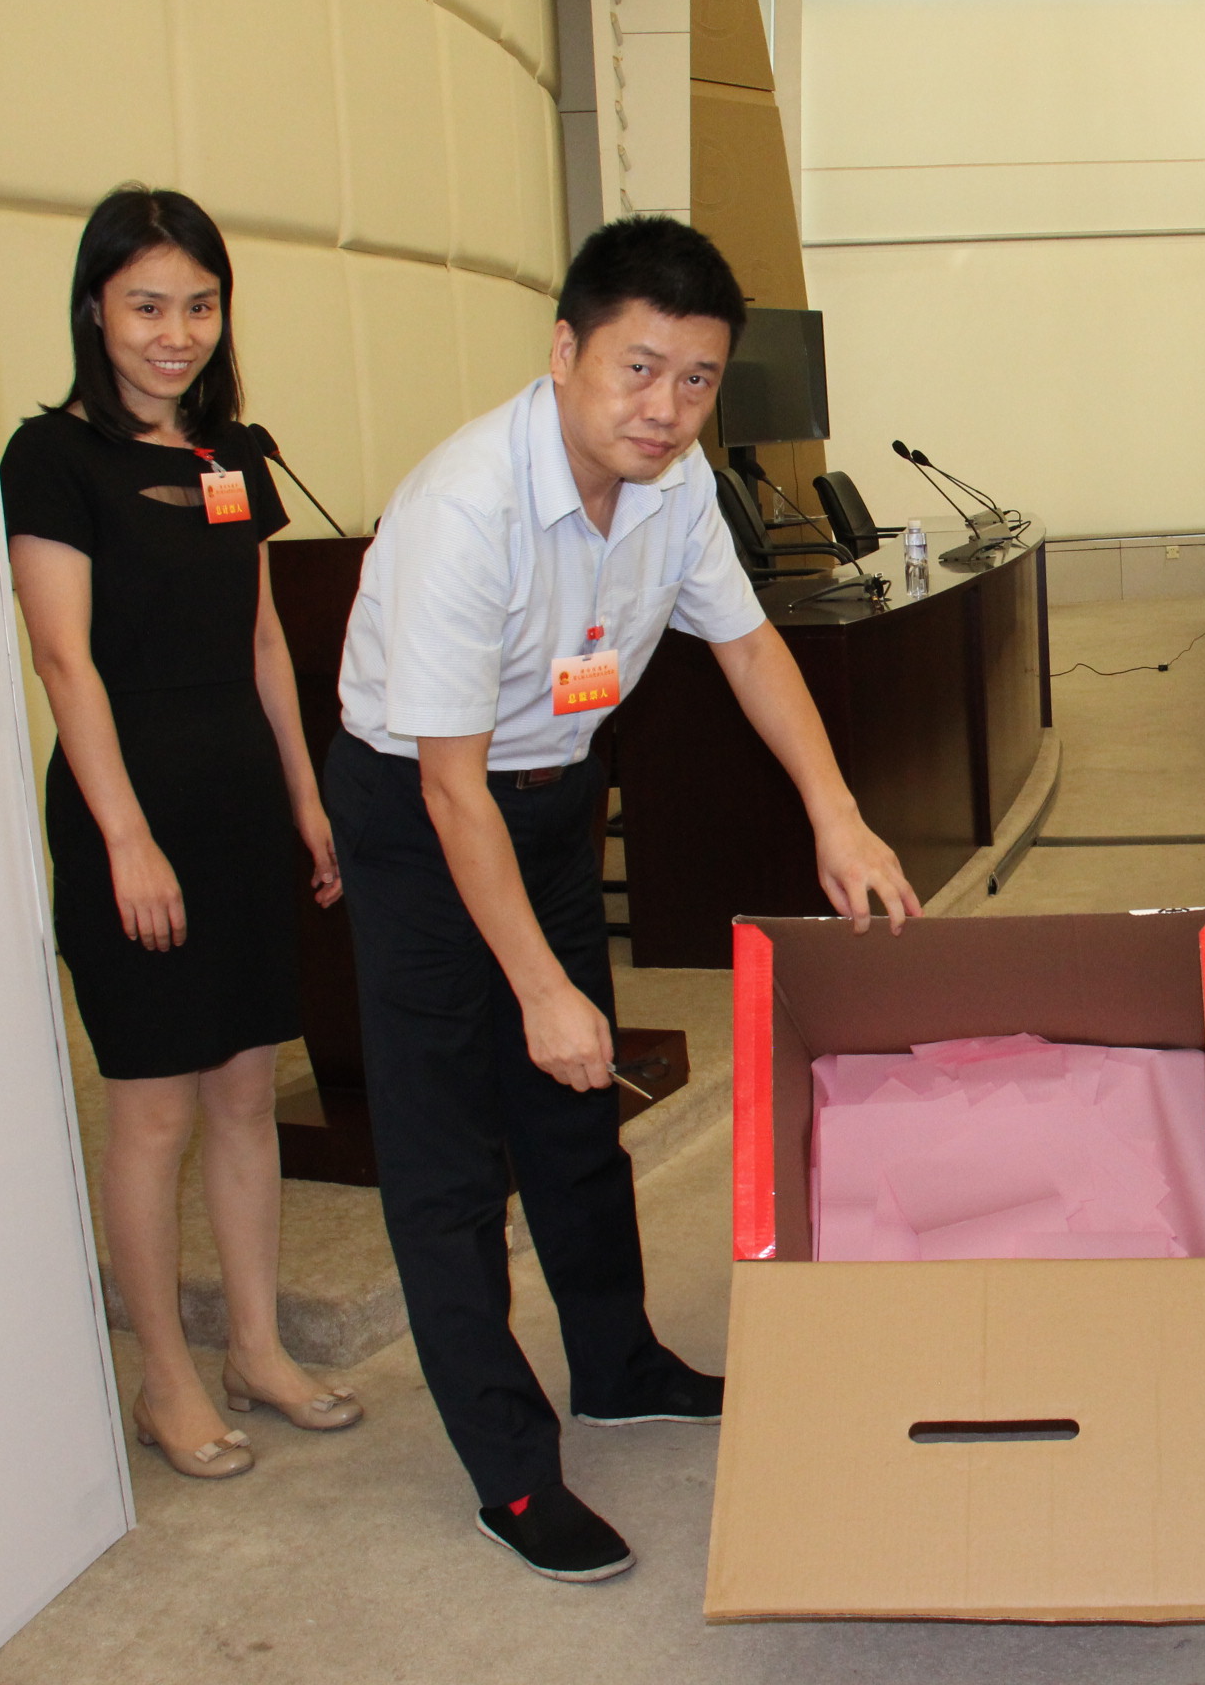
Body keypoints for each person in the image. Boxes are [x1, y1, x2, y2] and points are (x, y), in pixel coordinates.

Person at [324, 215, 922, 1584]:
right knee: (449, 1152)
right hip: (422, 813)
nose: (665, 408)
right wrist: (536, 986)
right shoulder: (466, 508)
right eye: (639, 369)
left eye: (696, 379)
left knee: (577, 1109)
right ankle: (510, 1469)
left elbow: (750, 646)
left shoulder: (677, 481)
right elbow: (450, 790)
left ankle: (618, 1363)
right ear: (564, 353)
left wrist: (834, 811)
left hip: (550, 797)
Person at [2, 187, 359, 1482]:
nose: (175, 333)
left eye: (199, 306)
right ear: (95, 308)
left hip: (240, 805)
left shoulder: (229, 456)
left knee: (247, 1094)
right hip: (131, 807)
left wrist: (308, 796)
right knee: (153, 1113)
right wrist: (125, 839)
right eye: (148, 305)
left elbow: (261, 637)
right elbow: (64, 661)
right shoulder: (52, 458)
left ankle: (256, 1349)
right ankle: (163, 1375)